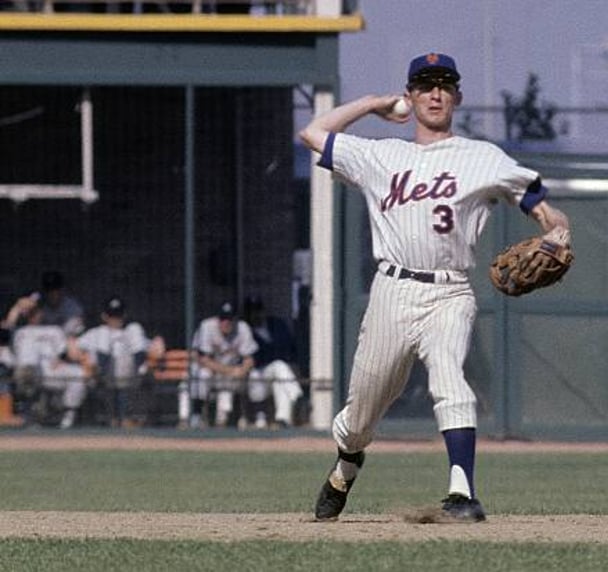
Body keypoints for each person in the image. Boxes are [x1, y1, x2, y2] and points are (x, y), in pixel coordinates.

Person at [298, 52, 573, 522]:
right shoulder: (381, 154)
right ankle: (347, 462)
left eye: (444, 84)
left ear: (457, 97)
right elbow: (312, 133)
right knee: (360, 417)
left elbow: (542, 205)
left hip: (450, 292)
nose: (435, 92)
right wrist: (370, 103)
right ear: (409, 96)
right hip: (392, 291)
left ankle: (462, 493)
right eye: (425, 85)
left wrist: (557, 230)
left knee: (450, 377)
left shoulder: (482, 158)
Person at [76, 297, 165, 428]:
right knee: (104, 333)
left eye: (118, 315)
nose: (116, 319)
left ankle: (126, 416)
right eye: (112, 316)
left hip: (131, 374)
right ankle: (118, 416)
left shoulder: (131, 331)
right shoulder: (96, 333)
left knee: (135, 328)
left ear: (124, 315)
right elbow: (73, 348)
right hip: (103, 375)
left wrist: (159, 341)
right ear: (104, 316)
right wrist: (87, 362)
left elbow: (155, 350)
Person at [8, 298, 92, 429]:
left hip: (51, 370)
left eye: (36, 311)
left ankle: (68, 415)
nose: (34, 315)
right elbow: (7, 327)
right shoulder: (20, 331)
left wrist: (62, 359)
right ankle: (30, 414)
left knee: (79, 374)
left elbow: (66, 351)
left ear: (41, 312)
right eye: (31, 312)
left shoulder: (54, 330)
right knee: (29, 353)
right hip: (29, 371)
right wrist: (17, 307)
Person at [178, 301, 258, 429]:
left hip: (229, 375)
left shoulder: (243, 328)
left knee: (238, 380)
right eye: (223, 319)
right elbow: (202, 359)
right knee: (198, 376)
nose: (226, 322)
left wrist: (242, 370)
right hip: (209, 370)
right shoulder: (207, 326)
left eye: (229, 319)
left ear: (235, 319)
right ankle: (188, 418)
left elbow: (250, 359)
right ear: (217, 319)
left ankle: (222, 423)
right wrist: (230, 371)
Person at [243, 294, 303, 428]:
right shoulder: (246, 330)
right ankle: (297, 396)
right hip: (257, 377)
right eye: (252, 311)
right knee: (278, 366)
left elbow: (290, 347)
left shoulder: (276, 324)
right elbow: (255, 357)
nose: (256, 314)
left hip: (277, 373)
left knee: (280, 380)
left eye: (258, 310)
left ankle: (283, 419)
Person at [38, 271, 85, 336]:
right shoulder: (41, 307)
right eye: (48, 290)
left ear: (61, 289)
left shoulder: (72, 306)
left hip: (67, 340)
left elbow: (78, 328)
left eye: (55, 289)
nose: (52, 293)